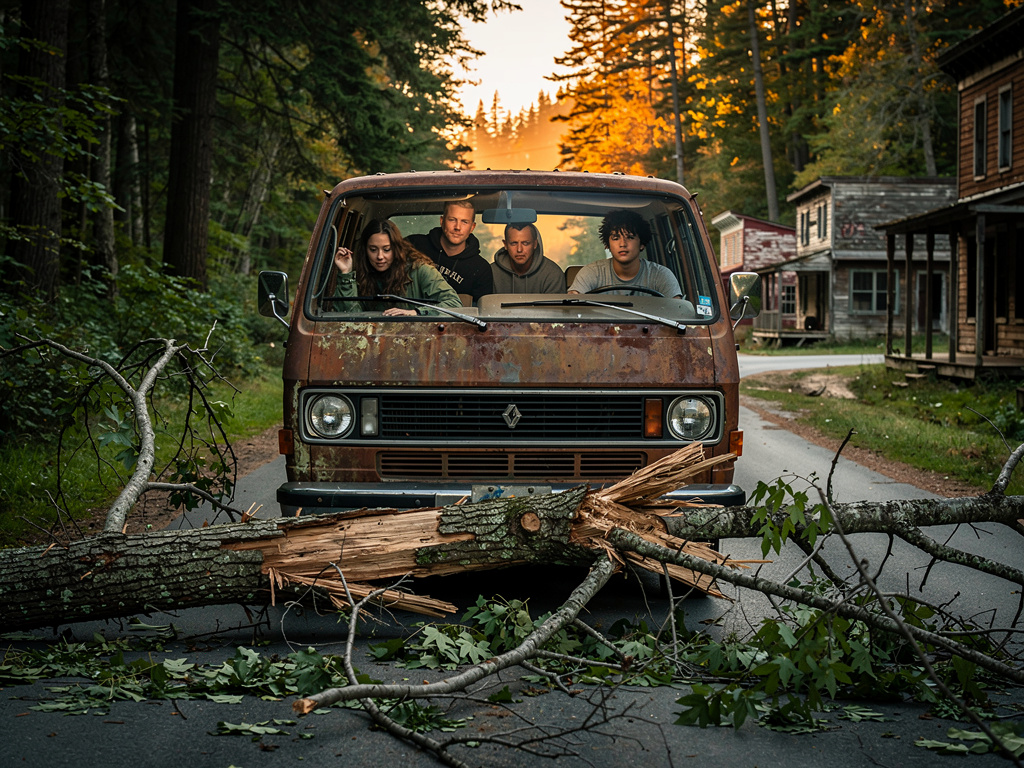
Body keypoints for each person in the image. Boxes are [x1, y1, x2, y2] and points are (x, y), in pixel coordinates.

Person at [333, 219, 462, 316]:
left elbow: (454, 304)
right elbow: (349, 317)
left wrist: (415, 313)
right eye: (373, 250)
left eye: (387, 249)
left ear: (396, 249)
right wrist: (346, 274)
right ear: (365, 250)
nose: (380, 256)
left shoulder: (419, 270)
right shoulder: (360, 274)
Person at [568, 209, 683, 298]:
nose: (623, 244)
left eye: (630, 237)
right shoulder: (592, 272)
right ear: (607, 244)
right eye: (616, 238)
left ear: (642, 243)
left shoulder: (661, 275)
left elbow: (679, 312)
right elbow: (573, 302)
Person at [406, 200, 493, 302]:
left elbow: (481, 313)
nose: (457, 227)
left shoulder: (481, 268)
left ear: (472, 227)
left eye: (464, 222)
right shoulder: (414, 245)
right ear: (442, 221)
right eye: (452, 220)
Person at [491, 222, 566, 294]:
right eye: (514, 243)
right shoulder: (491, 272)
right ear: (505, 245)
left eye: (525, 243)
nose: (519, 249)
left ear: (535, 244)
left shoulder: (552, 274)